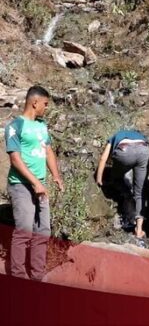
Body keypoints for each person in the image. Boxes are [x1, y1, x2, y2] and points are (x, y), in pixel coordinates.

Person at [4, 85, 64, 280]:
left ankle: (37, 277)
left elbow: (48, 151)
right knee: (24, 231)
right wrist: (35, 183)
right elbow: (15, 159)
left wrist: (56, 176)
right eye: (45, 104)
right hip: (20, 185)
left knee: (43, 231)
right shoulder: (15, 126)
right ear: (34, 102)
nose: (46, 107)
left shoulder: (41, 125)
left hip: (41, 185)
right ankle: (19, 277)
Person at [95, 128, 149, 239]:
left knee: (116, 177)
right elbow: (148, 157)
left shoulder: (115, 136)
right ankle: (139, 230)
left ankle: (126, 194)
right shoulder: (141, 136)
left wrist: (99, 178)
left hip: (125, 151)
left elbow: (103, 159)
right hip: (143, 150)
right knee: (139, 193)